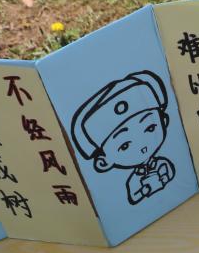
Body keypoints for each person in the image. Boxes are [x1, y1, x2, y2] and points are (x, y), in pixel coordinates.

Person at [70, 71, 175, 205]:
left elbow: (170, 172)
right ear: (104, 162)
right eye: (124, 146)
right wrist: (145, 189)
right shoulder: (134, 180)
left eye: (150, 128)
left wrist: (163, 177)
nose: (142, 146)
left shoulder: (160, 163)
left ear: (164, 121)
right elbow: (134, 196)